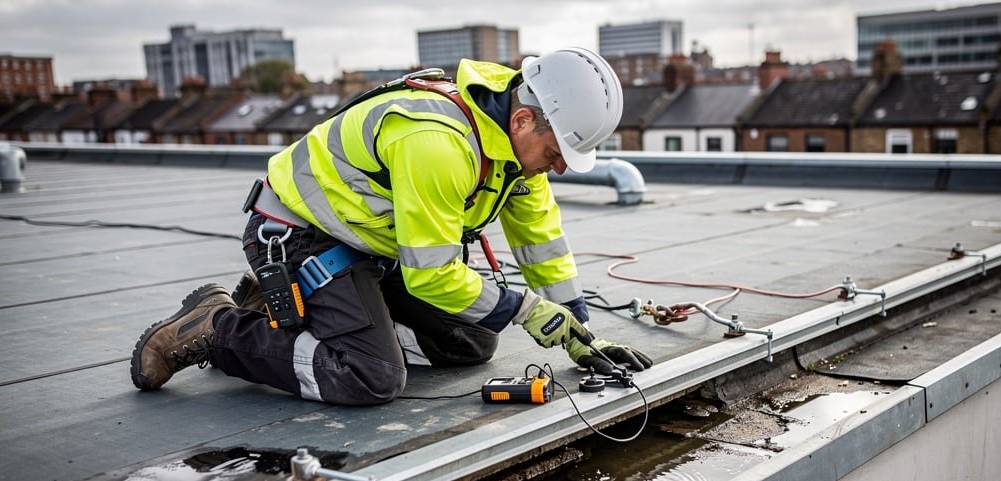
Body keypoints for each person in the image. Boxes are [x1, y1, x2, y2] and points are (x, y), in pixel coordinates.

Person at [130, 47, 652, 405]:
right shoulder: (437, 142)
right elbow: (431, 275)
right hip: (298, 235)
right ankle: (217, 327)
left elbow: (542, 245)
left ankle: (310, 317)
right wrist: (529, 310)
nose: (559, 167)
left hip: (375, 248)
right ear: (522, 121)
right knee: (368, 377)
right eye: (557, 153)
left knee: (470, 343)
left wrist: (582, 332)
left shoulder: (519, 155)